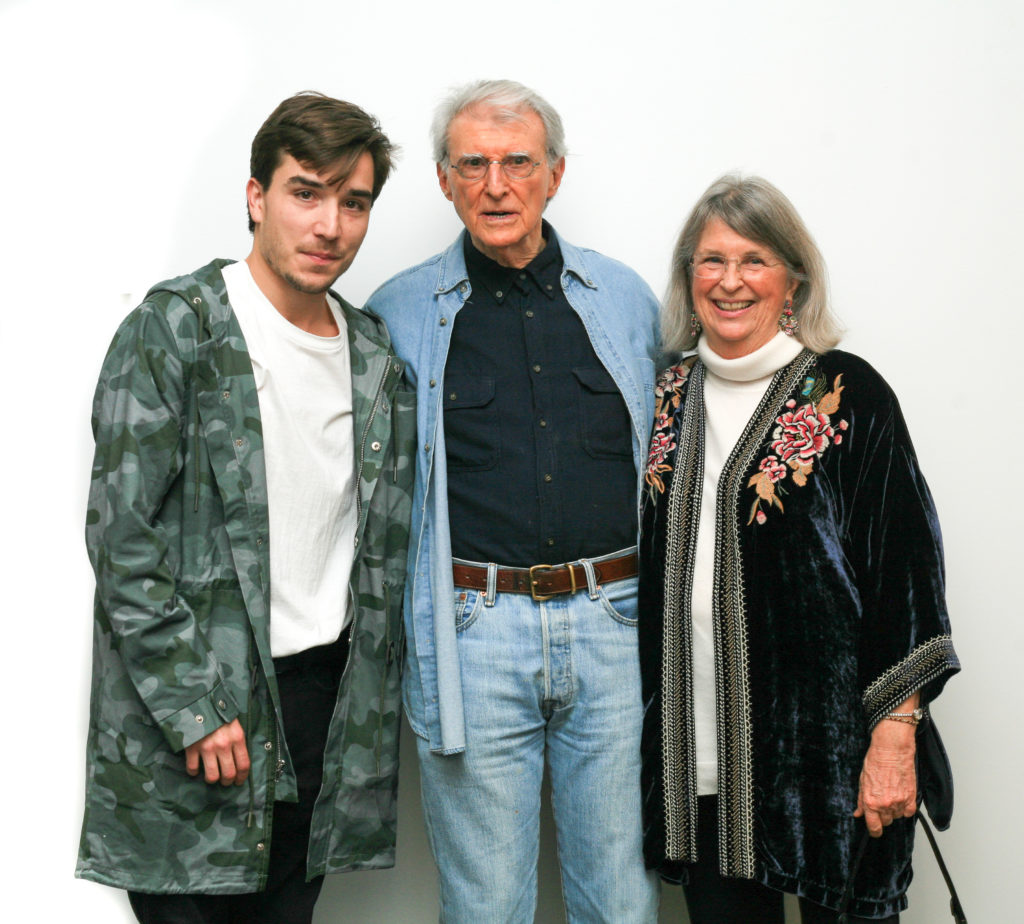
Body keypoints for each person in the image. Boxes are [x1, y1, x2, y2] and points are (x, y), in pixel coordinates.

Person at [76, 92, 415, 924]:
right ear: (257, 197)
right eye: (306, 192)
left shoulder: (374, 360)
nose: (330, 224)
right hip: (196, 713)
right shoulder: (178, 329)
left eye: (354, 201)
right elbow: (122, 537)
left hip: (318, 711)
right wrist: (195, 705)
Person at [368, 79, 660, 923]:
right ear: (444, 180)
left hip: (616, 625)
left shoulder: (627, 300)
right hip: (471, 631)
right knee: (486, 904)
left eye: (518, 163)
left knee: (620, 898)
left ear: (555, 175)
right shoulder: (399, 312)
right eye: (474, 164)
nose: (496, 185)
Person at [638, 174, 960, 922]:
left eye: (754, 260)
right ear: (689, 278)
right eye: (711, 260)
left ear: (793, 278)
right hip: (705, 757)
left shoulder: (848, 395)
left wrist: (896, 736)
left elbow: (907, 574)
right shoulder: (666, 397)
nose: (730, 281)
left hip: (832, 760)